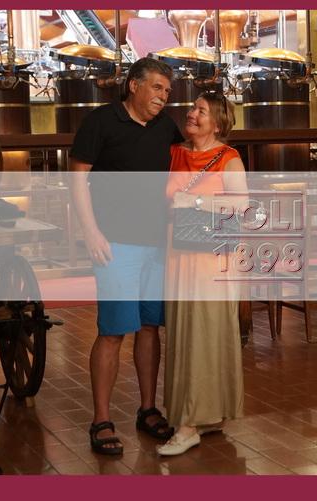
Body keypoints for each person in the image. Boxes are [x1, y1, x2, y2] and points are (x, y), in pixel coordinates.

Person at [69, 57, 184, 456]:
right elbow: (77, 181)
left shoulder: (166, 127)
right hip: (115, 244)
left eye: (167, 91)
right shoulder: (101, 122)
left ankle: (148, 409)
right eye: (157, 88)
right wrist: (90, 231)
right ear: (134, 85)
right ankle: (101, 420)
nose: (163, 97)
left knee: (150, 328)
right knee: (113, 331)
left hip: (158, 245)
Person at [158, 92, 247, 456]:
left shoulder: (229, 159)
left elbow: (241, 206)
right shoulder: (175, 153)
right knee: (184, 335)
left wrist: (194, 201)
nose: (191, 114)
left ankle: (189, 425)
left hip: (212, 259)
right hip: (178, 255)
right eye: (192, 108)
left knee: (205, 335)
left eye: (201, 111)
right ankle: (207, 415)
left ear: (218, 123)